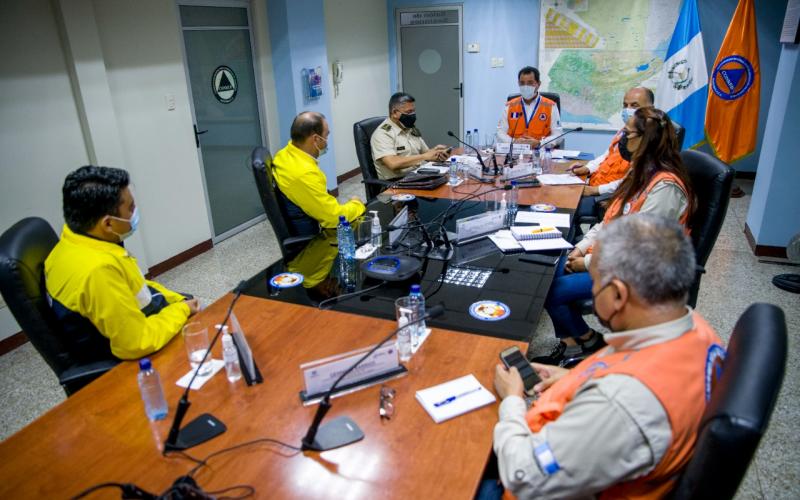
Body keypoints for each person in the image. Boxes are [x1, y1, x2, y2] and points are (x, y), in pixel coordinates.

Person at [490, 214, 724, 499]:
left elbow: (523, 475)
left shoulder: (620, 404)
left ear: (617, 295)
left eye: (595, 280)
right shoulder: (697, 329)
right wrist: (576, 377)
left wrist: (512, 400)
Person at [534, 107, 694, 366]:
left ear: (646, 139)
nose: (622, 138)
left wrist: (586, 263)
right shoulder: (638, 172)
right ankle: (580, 341)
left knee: (550, 290)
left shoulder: (665, 188)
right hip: (610, 259)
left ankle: (582, 343)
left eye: (628, 133)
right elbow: (608, 221)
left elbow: (641, 249)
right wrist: (581, 247)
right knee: (547, 271)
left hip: (639, 274)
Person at [45, 166, 199, 361]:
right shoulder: (98, 271)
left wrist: (176, 300)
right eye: (130, 208)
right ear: (108, 224)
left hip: (144, 321)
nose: (134, 213)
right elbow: (136, 342)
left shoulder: (73, 241)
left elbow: (137, 288)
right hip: (131, 362)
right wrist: (182, 310)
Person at [272, 111, 365, 235]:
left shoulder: (284, 153)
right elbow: (333, 218)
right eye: (326, 136)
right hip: (313, 240)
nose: (326, 141)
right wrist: (357, 204)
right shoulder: (304, 173)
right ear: (316, 139)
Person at [570, 87, 655, 219]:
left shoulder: (648, 140)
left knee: (570, 205)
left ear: (650, 108)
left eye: (634, 105)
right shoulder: (625, 131)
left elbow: (630, 181)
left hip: (612, 194)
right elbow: (606, 155)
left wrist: (594, 190)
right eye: (625, 105)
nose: (628, 110)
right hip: (597, 183)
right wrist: (587, 168)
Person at [370, 92, 450, 180]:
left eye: (414, 111)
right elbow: (393, 163)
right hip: (396, 183)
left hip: (418, 175)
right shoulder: (383, 134)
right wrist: (425, 156)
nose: (413, 115)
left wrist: (436, 152)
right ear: (395, 113)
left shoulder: (410, 128)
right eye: (409, 112)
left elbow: (425, 153)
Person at [496, 66, 562, 146]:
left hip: (540, 152)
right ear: (518, 83)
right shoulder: (509, 105)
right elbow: (500, 133)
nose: (525, 86)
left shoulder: (550, 106)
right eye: (522, 83)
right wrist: (513, 142)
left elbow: (558, 135)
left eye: (530, 83)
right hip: (515, 152)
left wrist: (539, 143)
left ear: (538, 84)